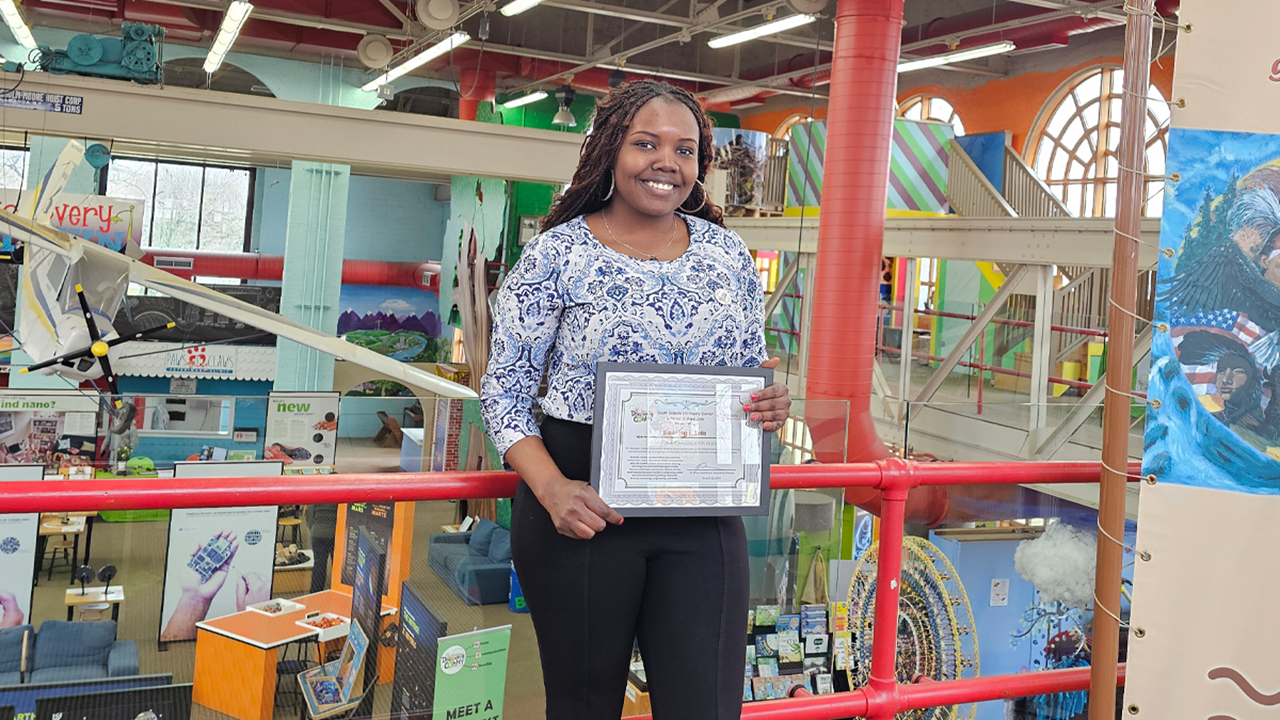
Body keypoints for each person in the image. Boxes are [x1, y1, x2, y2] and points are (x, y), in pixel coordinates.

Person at [480, 79, 791, 720]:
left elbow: (747, 370)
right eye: (645, 143)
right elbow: (503, 391)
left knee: (705, 705)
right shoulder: (553, 256)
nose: (665, 163)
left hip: (702, 511)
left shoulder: (729, 256)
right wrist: (552, 489)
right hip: (580, 505)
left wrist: (769, 402)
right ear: (609, 151)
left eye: (684, 149)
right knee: (584, 705)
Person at [306, 504, 338, 593]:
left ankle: (316, 592)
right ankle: (337, 591)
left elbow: (310, 515)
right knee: (336, 566)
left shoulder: (317, 492)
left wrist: (313, 529)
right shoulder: (339, 493)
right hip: (335, 533)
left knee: (319, 565)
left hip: (318, 533)